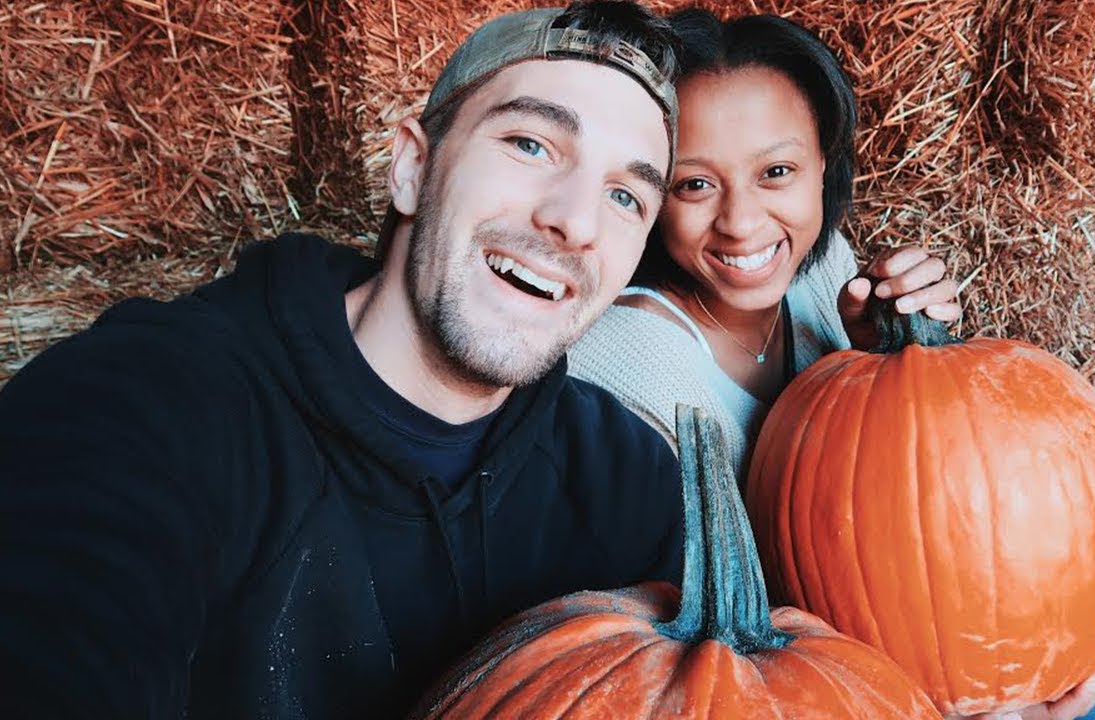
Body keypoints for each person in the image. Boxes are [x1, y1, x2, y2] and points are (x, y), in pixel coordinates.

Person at [0, 3, 686, 718]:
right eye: (531, 144)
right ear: (412, 168)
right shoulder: (145, 404)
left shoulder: (629, 488)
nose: (576, 222)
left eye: (624, 196)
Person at [568, 9, 1095, 720]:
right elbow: (705, 638)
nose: (742, 221)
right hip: (834, 688)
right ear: (645, 193)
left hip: (969, 636)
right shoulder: (628, 367)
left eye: (777, 172)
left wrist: (900, 352)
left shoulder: (820, 270)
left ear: (823, 167)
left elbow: (927, 485)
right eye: (694, 185)